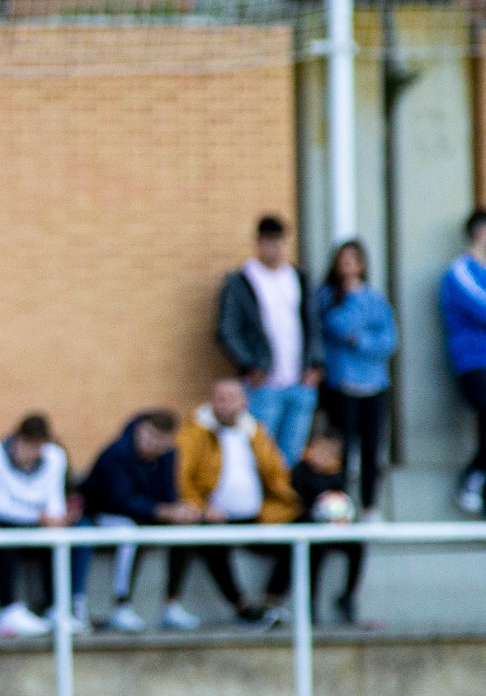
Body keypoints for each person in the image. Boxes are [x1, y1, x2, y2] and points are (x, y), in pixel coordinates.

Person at [170, 379, 301, 624]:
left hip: (257, 515)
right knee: (208, 538)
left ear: (244, 402)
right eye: (220, 398)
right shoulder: (196, 431)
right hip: (214, 515)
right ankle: (240, 605)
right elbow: (182, 476)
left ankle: (271, 602)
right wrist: (202, 506)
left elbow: (275, 473)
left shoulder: (254, 431)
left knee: (304, 529)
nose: (225, 405)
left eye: (231, 398)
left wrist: (290, 502)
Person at [79, 411, 203, 633]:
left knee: (186, 528)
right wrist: (162, 510)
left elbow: (168, 493)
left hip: (145, 514)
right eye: (147, 435)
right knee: (129, 531)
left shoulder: (168, 455)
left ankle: (171, 603)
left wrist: (179, 509)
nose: (150, 443)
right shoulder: (117, 452)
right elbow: (119, 500)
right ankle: (121, 604)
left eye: (158, 439)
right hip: (103, 514)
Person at [217, 215, 325, 466]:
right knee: (259, 456)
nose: (274, 248)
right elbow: (226, 330)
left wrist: (316, 364)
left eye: (279, 242)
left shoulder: (298, 278)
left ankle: (282, 506)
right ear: (258, 243)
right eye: (268, 242)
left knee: (290, 457)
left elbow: (313, 324)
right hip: (263, 384)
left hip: (300, 382)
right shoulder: (242, 281)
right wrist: (249, 366)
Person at [316, 241, 397, 521]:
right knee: (342, 447)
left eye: (354, 260)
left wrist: (361, 340)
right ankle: (340, 505)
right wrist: (358, 328)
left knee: (372, 448)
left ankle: (370, 506)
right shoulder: (328, 297)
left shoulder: (375, 298)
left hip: (374, 383)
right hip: (343, 383)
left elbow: (388, 340)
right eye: (343, 260)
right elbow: (337, 325)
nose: (348, 266)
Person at [0, 414, 69, 636]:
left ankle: (57, 607)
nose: (32, 453)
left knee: (62, 539)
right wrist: (40, 517)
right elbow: (0, 507)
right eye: (28, 446)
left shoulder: (55, 456)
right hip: (2, 523)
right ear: (17, 439)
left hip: (41, 524)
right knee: (7, 536)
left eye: (39, 447)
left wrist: (55, 518)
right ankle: (9, 607)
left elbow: (55, 498)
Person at [440, 208, 486, 519]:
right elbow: (485, 309)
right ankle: (474, 475)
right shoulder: (460, 271)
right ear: (483, 232)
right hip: (476, 365)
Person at [291, 423, 367, 624]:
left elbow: (342, 501)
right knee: (316, 552)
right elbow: (296, 504)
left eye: (330, 451)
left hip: (331, 528)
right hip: (307, 529)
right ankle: (310, 606)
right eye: (321, 449)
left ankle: (348, 595)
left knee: (357, 545)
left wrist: (342, 518)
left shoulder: (337, 473)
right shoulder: (299, 471)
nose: (325, 455)